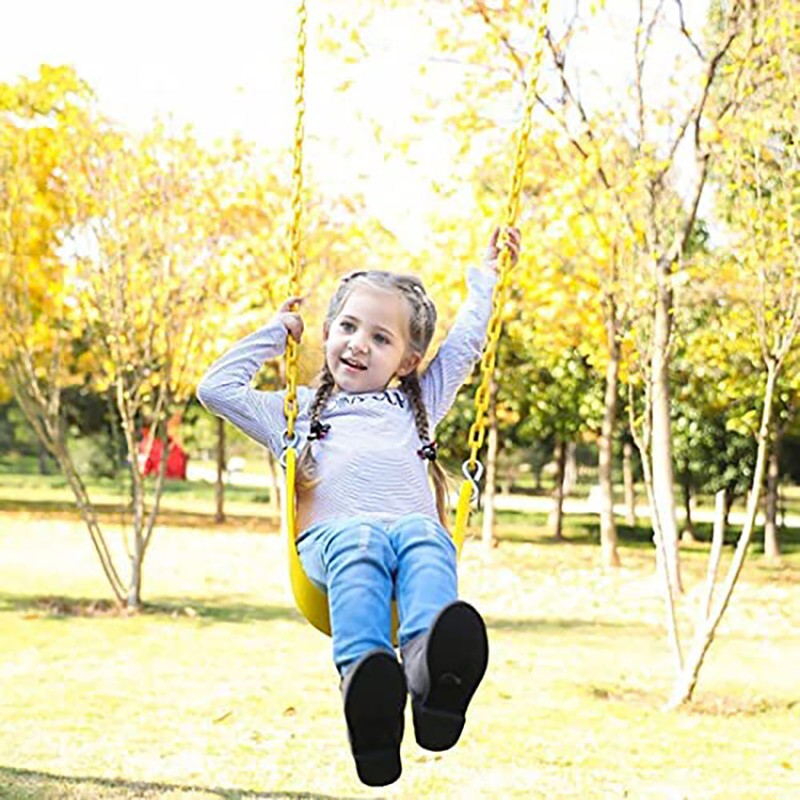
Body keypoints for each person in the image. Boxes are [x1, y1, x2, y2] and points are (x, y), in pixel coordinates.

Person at [197, 226, 521, 787]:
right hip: (334, 545)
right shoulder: (295, 413)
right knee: (362, 540)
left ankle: (429, 673)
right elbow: (216, 388)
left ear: (407, 360)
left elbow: (468, 341)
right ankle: (368, 686)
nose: (358, 343)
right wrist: (276, 334)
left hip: (408, 537)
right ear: (325, 333)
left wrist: (487, 276)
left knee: (428, 538)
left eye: (380, 337)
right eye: (347, 327)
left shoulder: (417, 403)